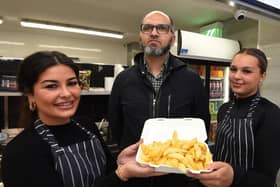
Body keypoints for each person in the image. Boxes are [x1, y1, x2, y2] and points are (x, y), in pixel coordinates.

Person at [1, 51, 164, 187]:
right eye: (51, 86)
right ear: (30, 94)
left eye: (72, 83)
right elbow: (114, 179)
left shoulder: (86, 126)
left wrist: (120, 164)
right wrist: (120, 174)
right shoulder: (20, 152)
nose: (66, 93)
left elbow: (107, 176)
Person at [108, 10, 210, 187]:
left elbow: (202, 123)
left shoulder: (191, 79)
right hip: (134, 176)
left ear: (172, 38)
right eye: (148, 28)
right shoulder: (123, 79)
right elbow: (116, 124)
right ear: (141, 35)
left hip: (175, 178)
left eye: (162, 28)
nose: (154, 33)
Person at [188, 48, 280, 187]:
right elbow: (222, 150)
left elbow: (267, 179)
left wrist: (233, 176)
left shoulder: (271, 114)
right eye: (233, 69)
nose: (237, 76)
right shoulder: (225, 109)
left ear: (262, 76)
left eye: (247, 71)